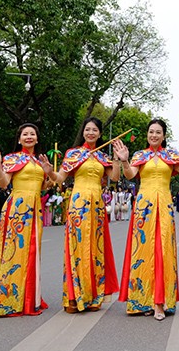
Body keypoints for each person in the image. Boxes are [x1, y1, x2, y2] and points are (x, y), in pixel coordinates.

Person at [115, 119, 179, 321]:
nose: (154, 135)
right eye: (151, 132)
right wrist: (124, 160)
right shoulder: (141, 155)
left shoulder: (171, 156)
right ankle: (142, 300)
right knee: (143, 250)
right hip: (144, 207)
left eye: (158, 132)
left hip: (165, 205)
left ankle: (161, 301)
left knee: (162, 250)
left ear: (164, 136)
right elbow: (131, 175)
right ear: (147, 134)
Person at [0, 123, 54, 317]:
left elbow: (45, 185)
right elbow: (4, 183)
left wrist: (49, 173)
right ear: (20, 139)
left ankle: (29, 297)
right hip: (17, 207)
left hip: (36, 209)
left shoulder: (40, 162)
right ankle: (9, 297)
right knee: (14, 251)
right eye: (25, 134)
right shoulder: (12, 159)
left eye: (32, 134)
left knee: (32, 252)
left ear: (37, 139)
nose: (29, 137)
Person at [50, 117, 120, 313]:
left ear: (99, 134)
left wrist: (117, 158)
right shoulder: (73, 154)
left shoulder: (102, 157)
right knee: (77, 247)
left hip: (97, 205)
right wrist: (49, 171)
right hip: (78, 204)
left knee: (95, 248)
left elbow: (114, 178)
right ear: (83, 133)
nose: (90, 133)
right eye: (87, 129)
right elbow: (60, 178)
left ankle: (93, 295)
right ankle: (73, 296)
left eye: (94, 130)